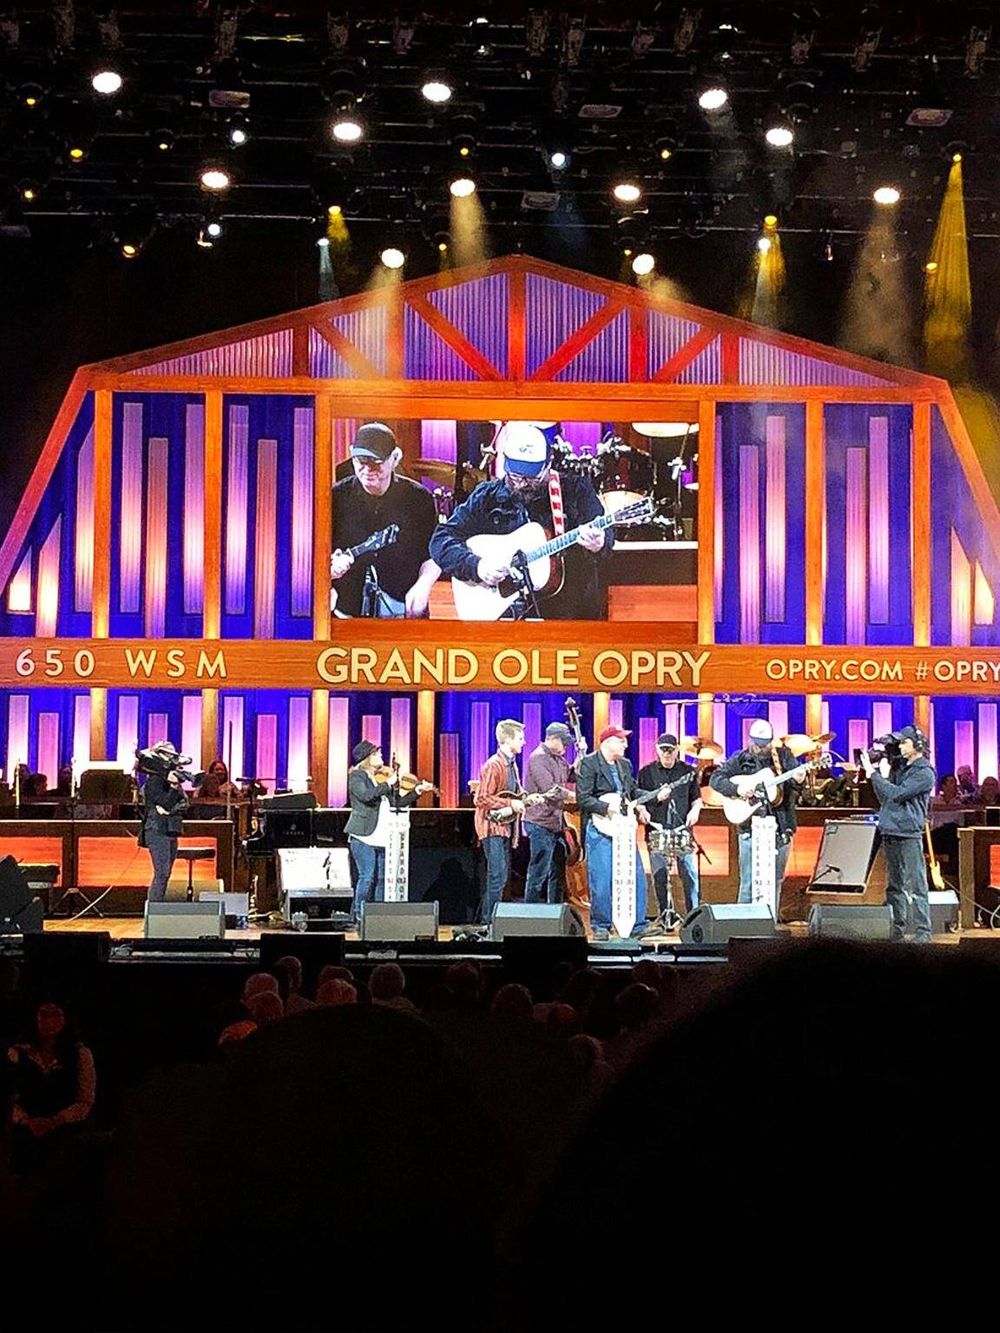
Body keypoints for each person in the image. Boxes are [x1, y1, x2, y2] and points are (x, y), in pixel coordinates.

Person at [429, 422, 612, 620]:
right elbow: (441, 540)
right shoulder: (487, 496)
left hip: (568, 614)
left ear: (548, 465)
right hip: (504, 617)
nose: (522, 484)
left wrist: (599, 543)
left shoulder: (576, 490)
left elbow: (607, 537)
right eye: (515, 476)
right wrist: (476, 566)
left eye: (531, 478)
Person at [330, 421, 440, 618]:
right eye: (360, 461)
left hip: (403, 611)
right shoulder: (335, 497)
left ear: (395, 458)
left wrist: (423, 585)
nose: (367, 469)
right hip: (346, 612)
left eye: (376, 462)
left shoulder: (419, 498)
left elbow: (433, 554)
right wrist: (328, 569)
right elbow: (316, 554)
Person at [576, 725, 667, 939]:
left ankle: (637, 924)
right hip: (600, 827)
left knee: (635, 874)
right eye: (621, 740)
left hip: (624, 828)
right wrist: (608, 807)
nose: (626, 744)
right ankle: (601, 925)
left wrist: (653, 797)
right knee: (602, 876)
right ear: (607, 742)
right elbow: (583, 798)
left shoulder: (625, 765)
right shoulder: (589, 764)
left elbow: (632, 792)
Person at [709, 719, 806, 911]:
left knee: (775, 880)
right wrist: (738, 789)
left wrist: (799, 780)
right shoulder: (740, 758)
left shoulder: (784, 757)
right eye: (757, 743)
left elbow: (795, 787)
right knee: (749, 882)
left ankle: (770, 924)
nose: (760, 748)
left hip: (780, 826)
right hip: (749, 828)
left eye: (765, 743)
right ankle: (742, 926)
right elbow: (716, 779)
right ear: (749, 740)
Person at [860, 725, 936, 943]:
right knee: (895, 885)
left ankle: (923, 932)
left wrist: (873, 774)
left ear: (917, 745)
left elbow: (897, 794)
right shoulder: (899, 768)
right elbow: (884, 797)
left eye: (904, 742)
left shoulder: (924, 773)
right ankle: (897, 929)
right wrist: (877, 772)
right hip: (890, 829)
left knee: (916, 885)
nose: (900, 746)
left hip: (909, 833)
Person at [344, 740, 432, 924]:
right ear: (367, 758)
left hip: (382, 838)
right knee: (367, 877)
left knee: (383, 879)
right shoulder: (357, 776)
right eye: (376, 753)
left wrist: (417, 790)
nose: (381, 756)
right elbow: (366, 796)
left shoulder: (379, 779)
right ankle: (358, 915)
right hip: (363, 836)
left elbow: (397, 803)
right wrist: (389, 783)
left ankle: (378, 916)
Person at [7, 1001, 96, 1175]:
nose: (49, 1022)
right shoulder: (18, 1053)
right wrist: (26, 1121)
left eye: (55, 1015)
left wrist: (55, 1121)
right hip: (23, 1135)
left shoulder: (80, 1055)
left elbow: (85, 1100)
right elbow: (7, 1096)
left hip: (65, 1135)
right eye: (44, 1015)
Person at [637, 733, 702, 918]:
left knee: (689, 875)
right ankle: (666, 916)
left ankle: (693, 916)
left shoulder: (688, 771)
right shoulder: (645, 772)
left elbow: (696, 800)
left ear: (677, 750)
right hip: (657, 829)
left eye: (670, 750)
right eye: (663, 749)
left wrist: (695, 811)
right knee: (659, 876)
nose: (666, 753)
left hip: (681, 830)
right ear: (657, 749)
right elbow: (638, 798)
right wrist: (642, 811)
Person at [474, 718, 530, 923]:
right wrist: (510, 803)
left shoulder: (512, 765)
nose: (524, 742)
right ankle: (487, 923)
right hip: (491, 827)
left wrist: (526, 799)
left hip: (504, 827)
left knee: (501, 877)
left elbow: (515, 795)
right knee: (497, 877)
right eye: (520, 738)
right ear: (508, 740)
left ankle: (490, 920)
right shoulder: (494, 764)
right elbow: (481, 798)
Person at [523, 721, 574, 905]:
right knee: (539, 870)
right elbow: (550, 789)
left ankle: (556, 909)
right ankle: (531, 911)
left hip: (555, 824)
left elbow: (571, 775)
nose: (566, 747)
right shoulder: (538, 758)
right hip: (539, 823)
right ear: (552, 738)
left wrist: (583, 761)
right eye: (564, 742)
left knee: (557, 871)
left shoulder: (558, 759)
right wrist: (573, 796)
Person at [138, 741, 189, 903]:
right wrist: (173, 789)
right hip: (157, 829)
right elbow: (164, 801)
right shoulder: (154, 781)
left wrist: (170, 810)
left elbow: (185, 803)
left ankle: (156, 910)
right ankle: (153, 913)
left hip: (170, 829)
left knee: (165, 873)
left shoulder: (171, 779)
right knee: (162, 873)